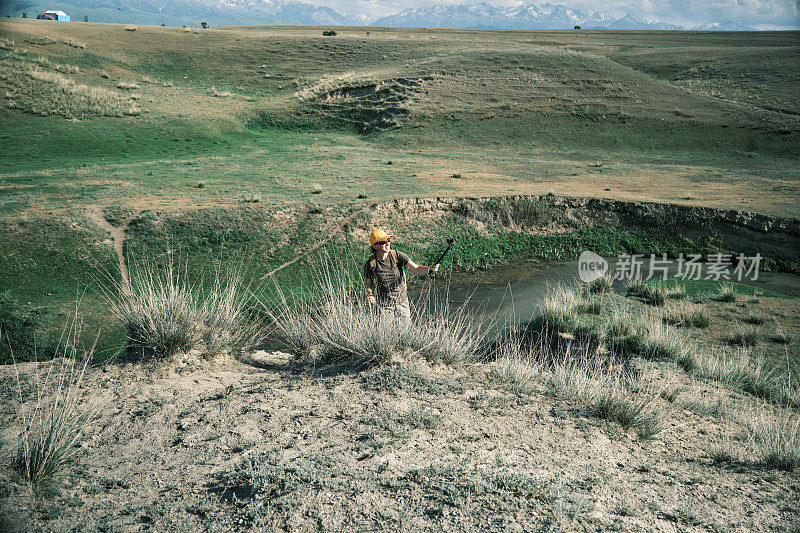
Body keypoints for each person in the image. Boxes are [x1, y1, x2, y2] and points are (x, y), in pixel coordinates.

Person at [363, 229, 439, 322]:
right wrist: (370, 295)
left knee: (405, 333)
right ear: (375, 246)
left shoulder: (397, 255)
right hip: (384, 306)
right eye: (383, 242)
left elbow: (416, 269)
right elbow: (367, 284)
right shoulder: (371, 263)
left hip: (402, 303)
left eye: (388, 240)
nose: (387, 243)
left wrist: (429, 268)